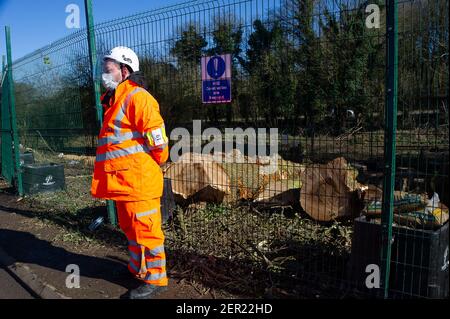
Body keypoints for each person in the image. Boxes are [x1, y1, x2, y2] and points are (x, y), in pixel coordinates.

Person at [91, 46, 169, 299]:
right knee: (131, 230)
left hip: (139, 181)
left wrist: (152, 164)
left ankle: (156, 280)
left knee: (146, 231)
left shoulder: (138, 97)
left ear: (124, 70)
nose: (104, 73)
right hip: (125, 183)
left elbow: (159, 142)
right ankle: (138, 270)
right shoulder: (115, 101)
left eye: (108, 68)